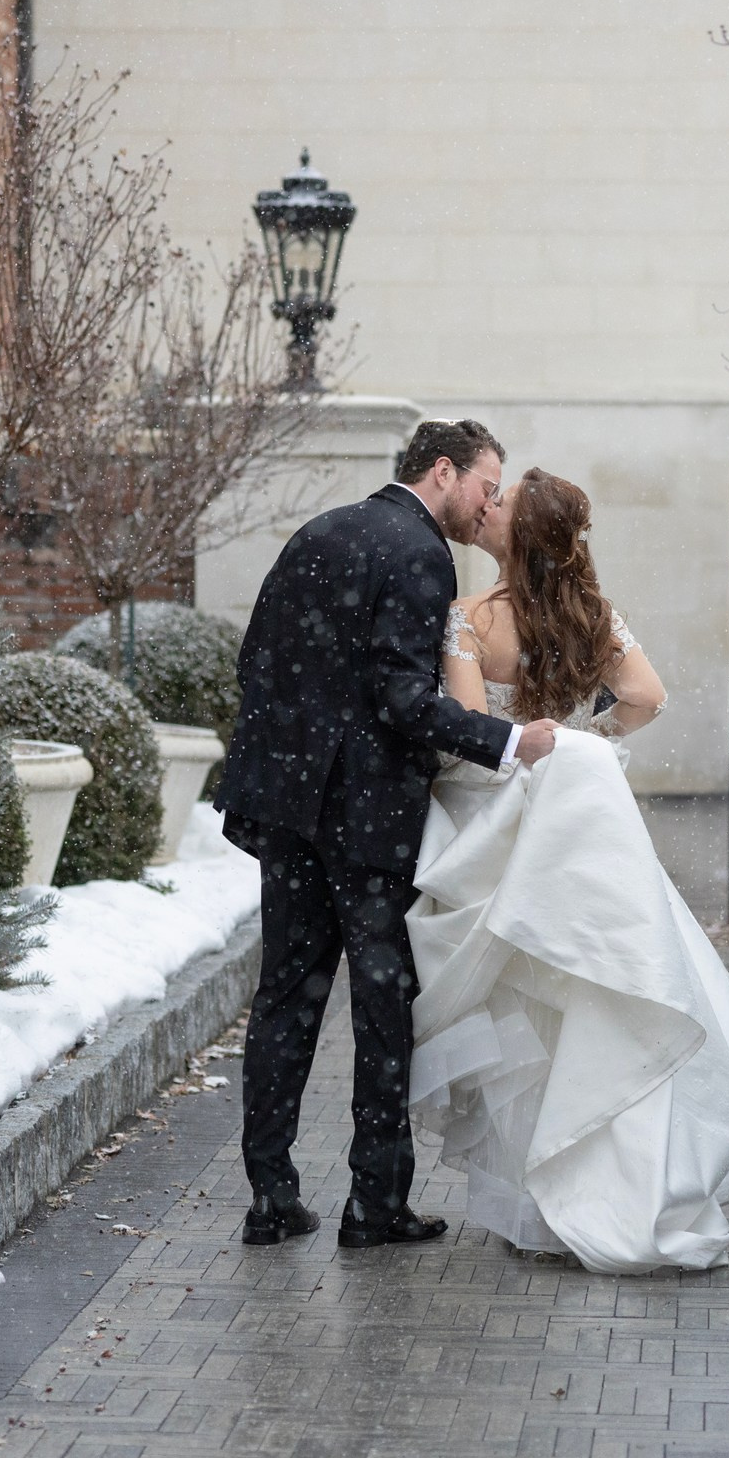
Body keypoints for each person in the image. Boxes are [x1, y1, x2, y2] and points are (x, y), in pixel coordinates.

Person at [408, 467, 729, 1272]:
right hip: (579, 828)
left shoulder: (468, 620)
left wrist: (527, 751)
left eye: (501, 505)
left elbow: (466, 733)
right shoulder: (593, 614)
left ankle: (543, 1200)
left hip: (510, 829)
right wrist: (588, 740)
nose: (486, 509)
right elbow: (647, 695)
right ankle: (616, 1180)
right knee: (602, 990)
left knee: (533, 1013)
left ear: (519, 536)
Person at [221, 419, 561, 1250]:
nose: (489, 506)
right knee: (382, 1008)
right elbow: (402, 700)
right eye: (487, 485)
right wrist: (510, 741)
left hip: (291, 813)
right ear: (442, 471)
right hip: (366, 824)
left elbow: (256, 664)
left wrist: (285, 773)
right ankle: (375, 1204)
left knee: (285, 1001)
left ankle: (271, 1195)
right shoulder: (417, 551)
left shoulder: (319, 532)